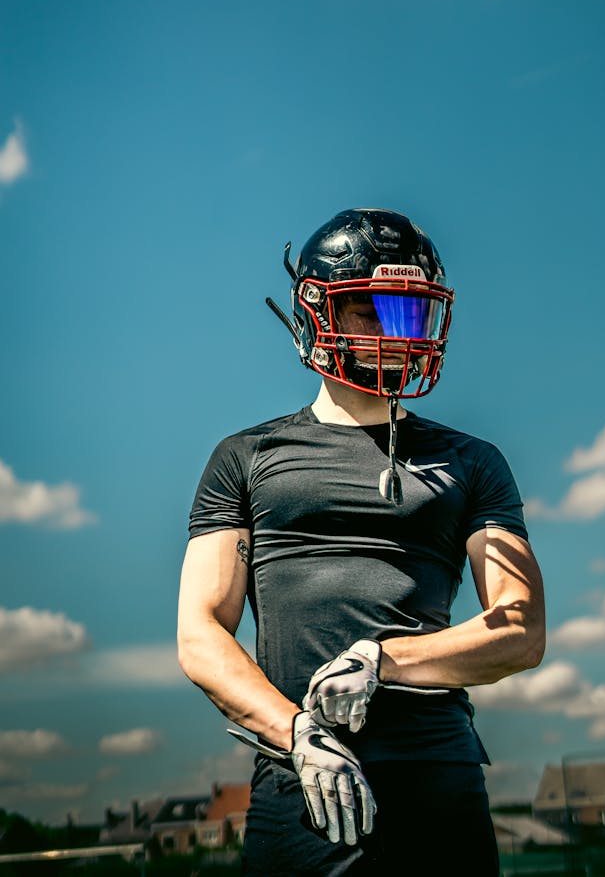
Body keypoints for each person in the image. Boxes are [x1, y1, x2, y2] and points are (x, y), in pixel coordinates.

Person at [177, 207, 546, 876]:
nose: (396, 334)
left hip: (440, 776)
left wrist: (385, 658)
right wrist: (293, 731)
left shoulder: (473, 461)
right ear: (315, 313)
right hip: (304, 780)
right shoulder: (245, 456)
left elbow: (519, 628)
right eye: (370, 311)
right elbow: (200, 633)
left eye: (407, 313)